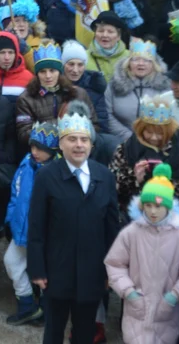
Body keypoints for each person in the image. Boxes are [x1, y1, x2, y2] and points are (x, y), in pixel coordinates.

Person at [27, 108, 120, 344]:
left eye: (84, 139)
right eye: (72, 139)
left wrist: (112, 270)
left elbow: (111, 229)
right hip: (57, 269)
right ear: (61, 144)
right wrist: (37, 269)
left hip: (92, 271)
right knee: (54, 330)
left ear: (91, 143)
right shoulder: (47, 177)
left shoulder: (104, 176)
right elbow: (37, 226)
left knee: (84, 332)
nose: (79, 145)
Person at [103, 163, 179, 343]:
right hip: (135, 312)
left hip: (166, 314)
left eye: (158, 206)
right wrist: (129, 292)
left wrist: (174, 296)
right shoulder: (130, 233)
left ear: (169, 207)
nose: (153, 211)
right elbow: (115, 264)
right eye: (148, 205)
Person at [109, 92, 179, 233]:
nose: (154, 137)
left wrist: (166, 183)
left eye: (160, 133)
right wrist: (135, 179)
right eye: (148, 132)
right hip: (136, 226)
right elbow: (113, 190)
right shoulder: (126, 150)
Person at [2, 122, 57, 325]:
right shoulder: (26, 163)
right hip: (21, 230)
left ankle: (44, 310)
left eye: (41, 149)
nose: (35, 152)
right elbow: (16, 194)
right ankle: (26, 304)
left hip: (44, 236)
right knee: (11, 261)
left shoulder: (56, 172)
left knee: (44, 273)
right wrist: (10, 219)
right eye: (32, 147)